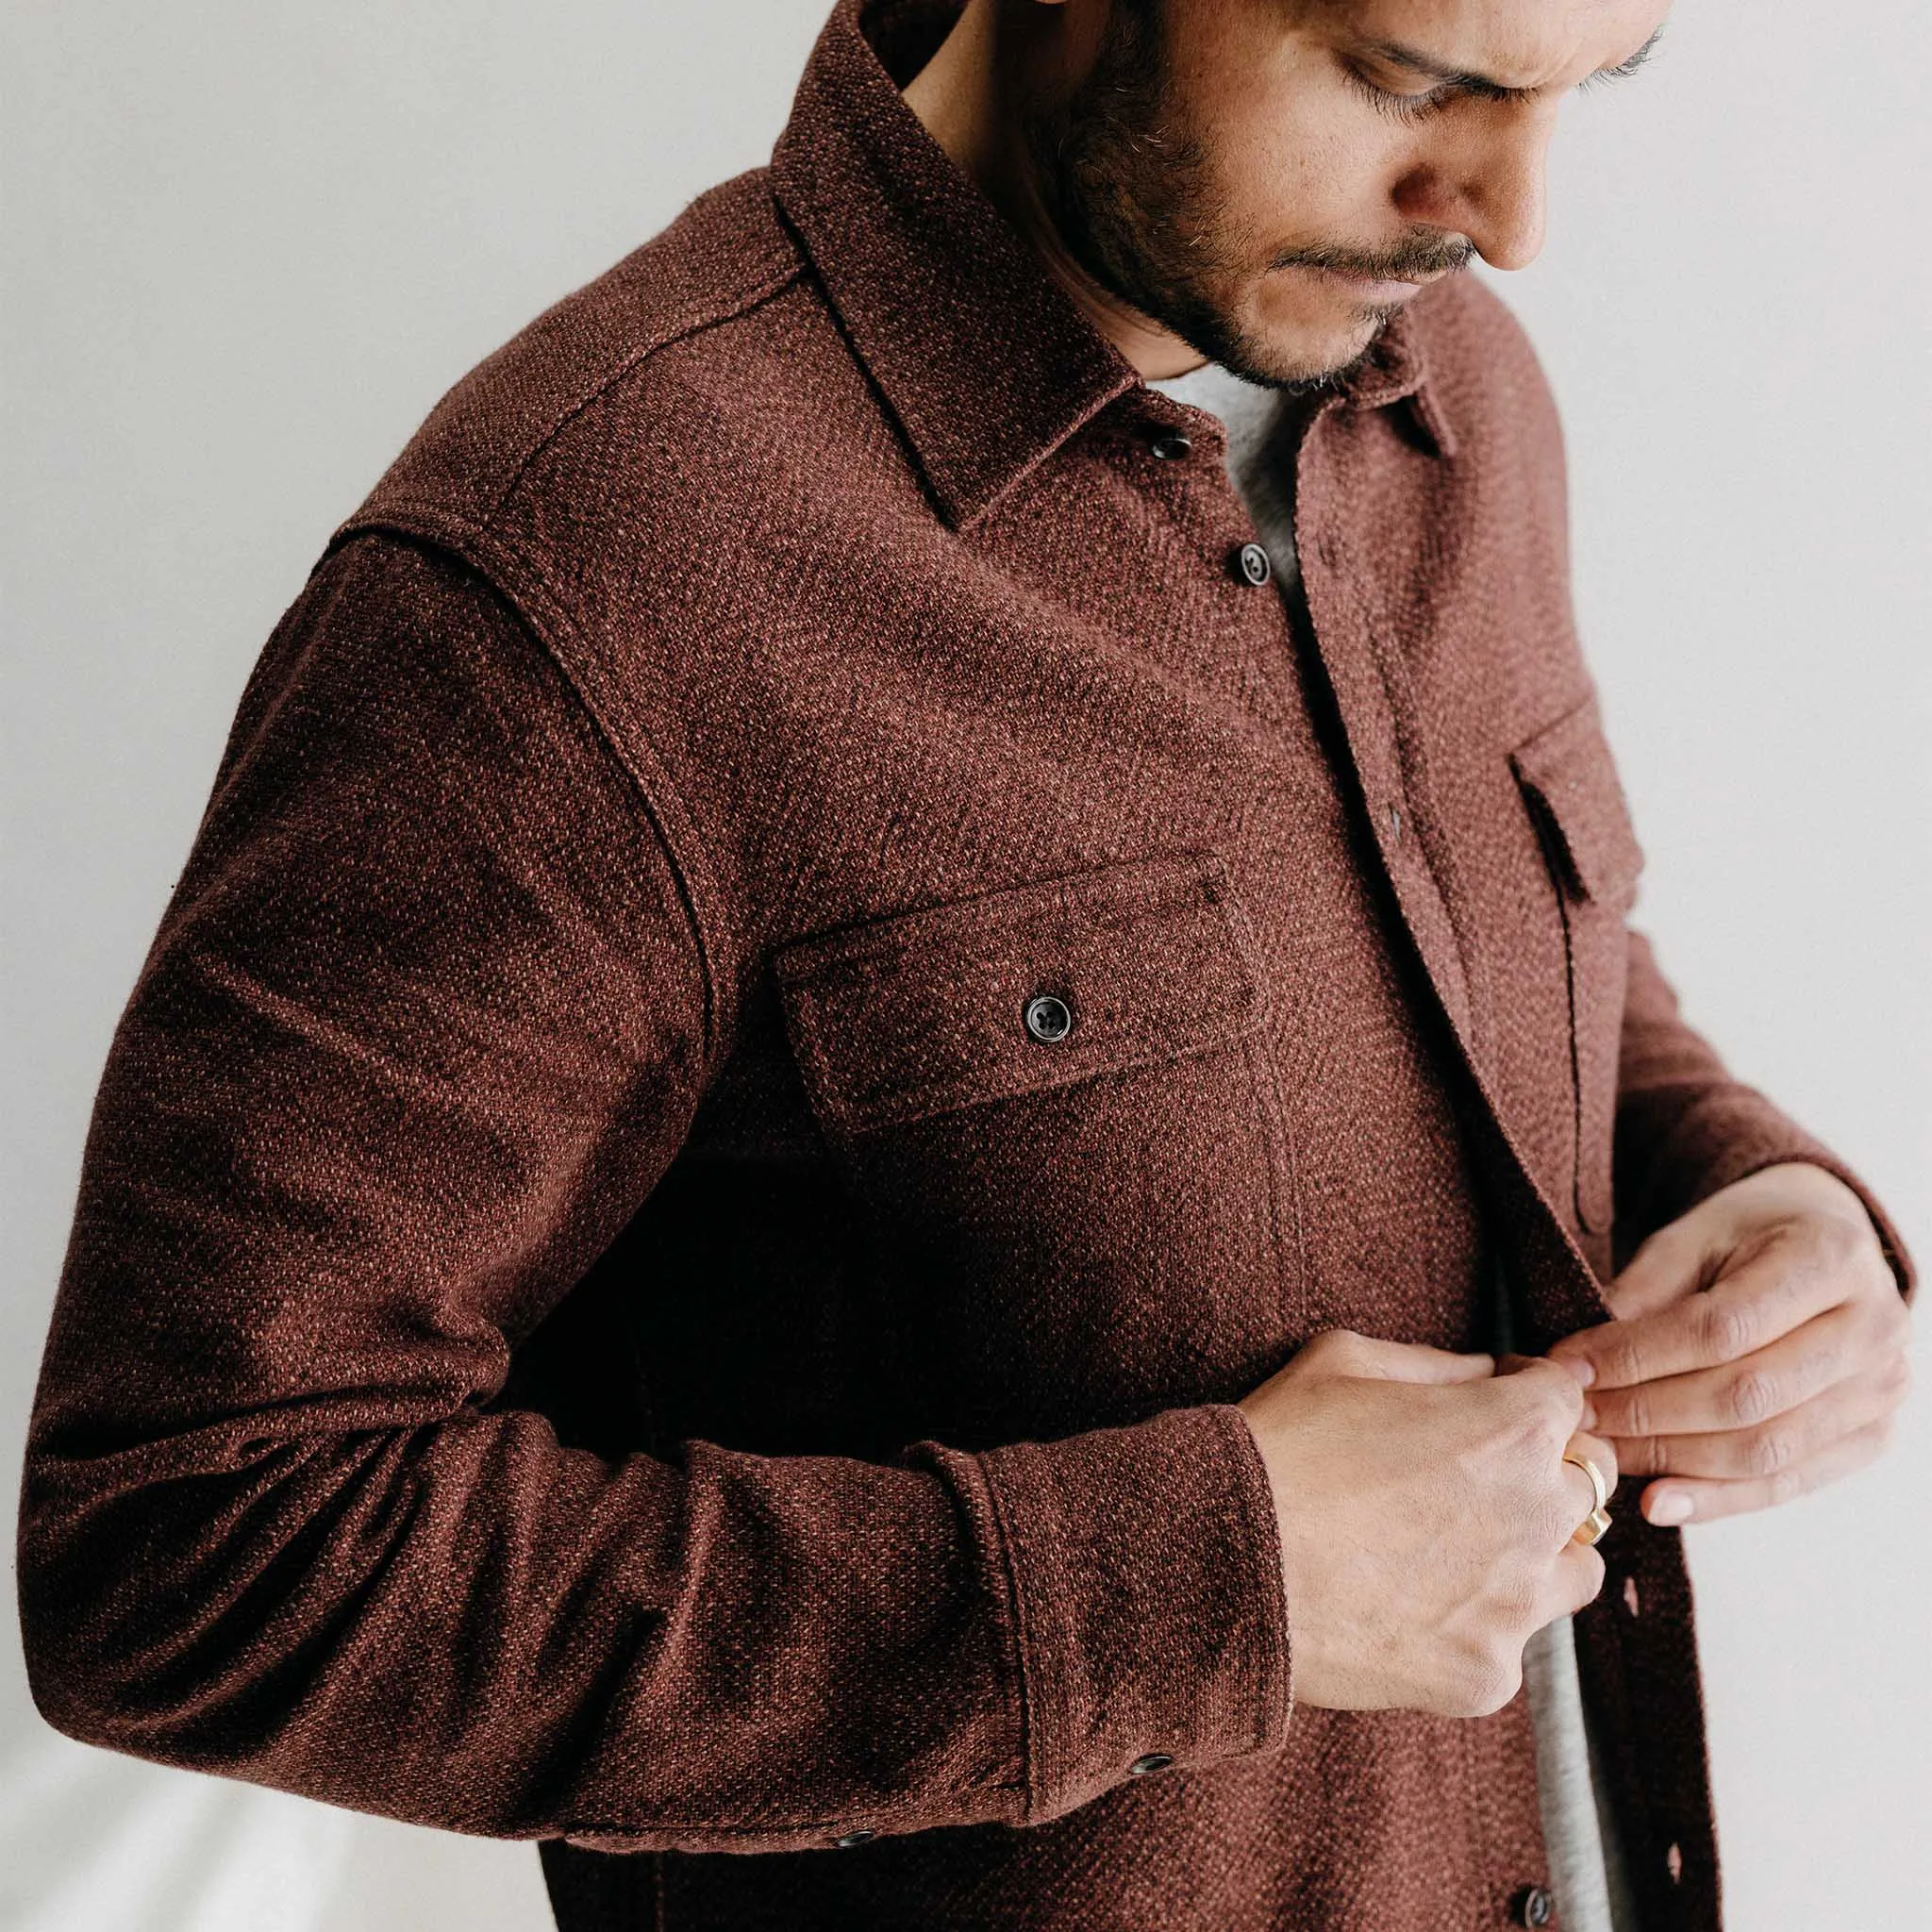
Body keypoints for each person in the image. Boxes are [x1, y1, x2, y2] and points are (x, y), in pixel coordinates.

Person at [17, 3, 1915, 1929]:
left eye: (1582, 95)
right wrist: (1195, 1582)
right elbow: (193, 1547)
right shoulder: (572, 577)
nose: (1507, 221)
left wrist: (1748, 1187)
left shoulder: (1456, 393)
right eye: (1411, 80)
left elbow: (1484, 944)